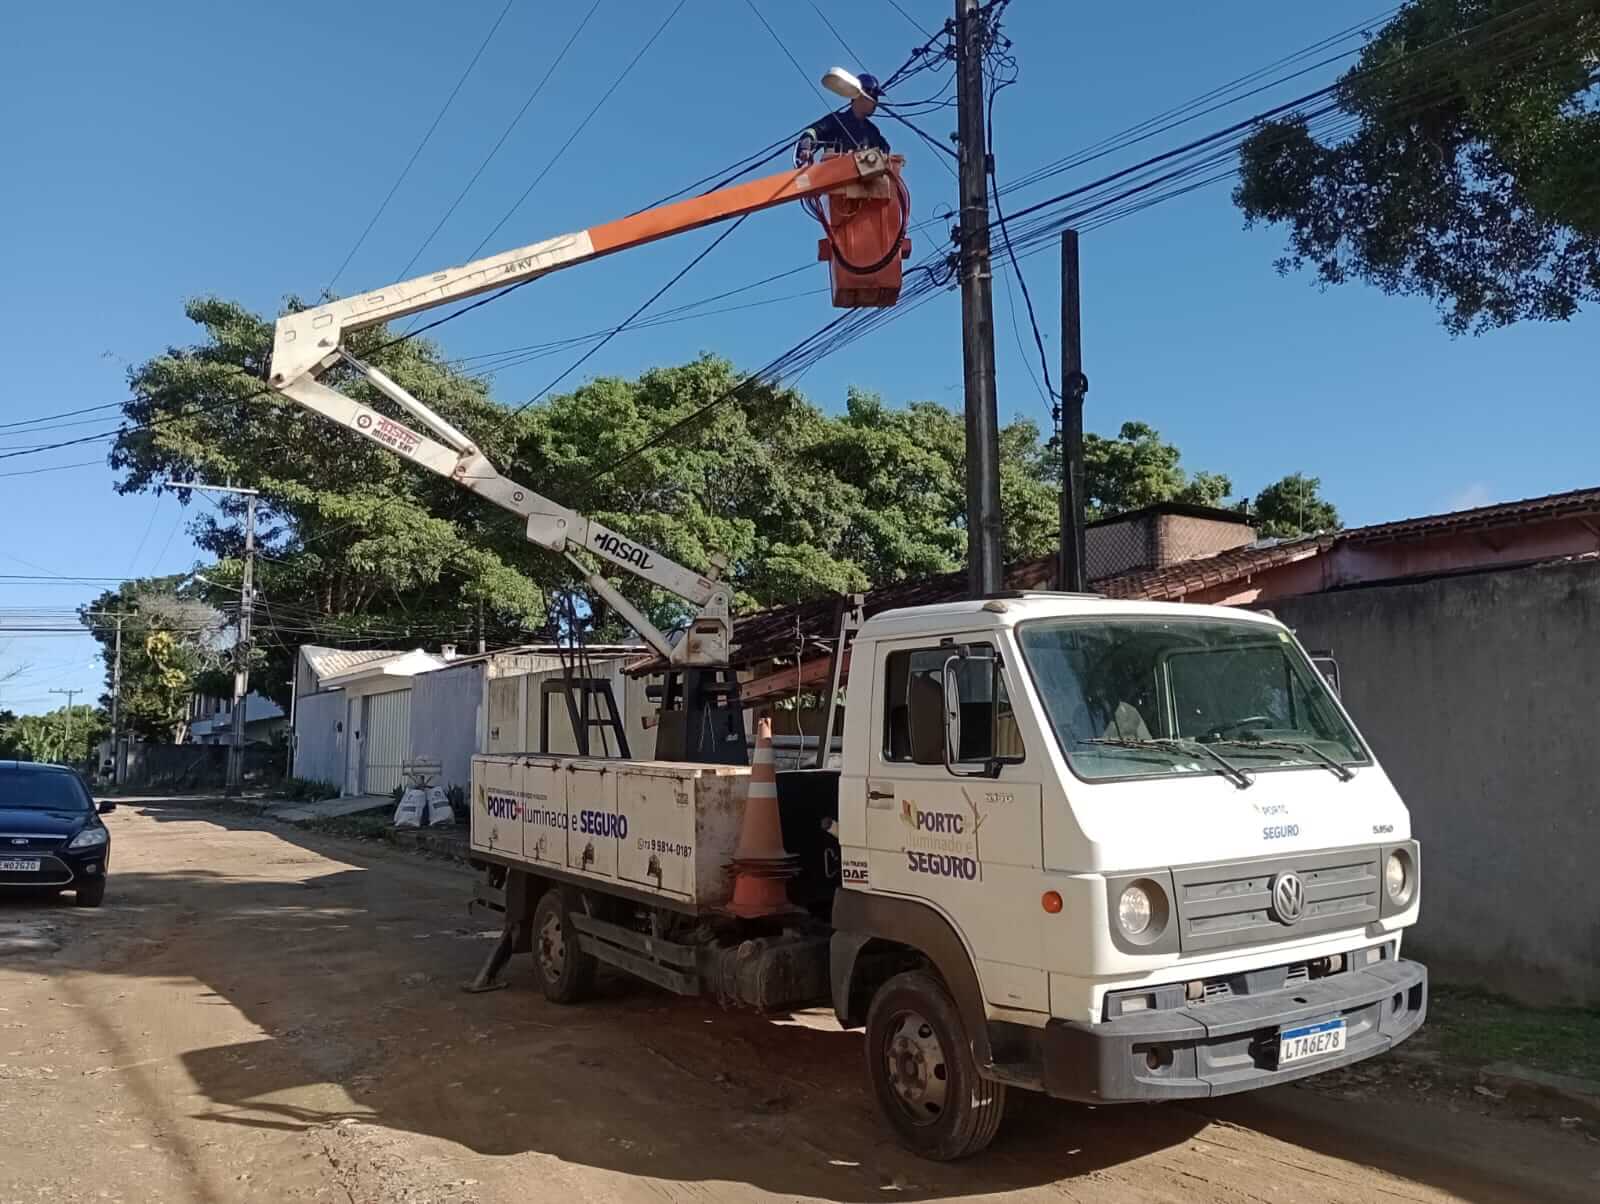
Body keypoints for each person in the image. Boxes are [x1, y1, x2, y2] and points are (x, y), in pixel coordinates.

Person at [796, 72, 891, 166]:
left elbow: (885, 150)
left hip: (862, 179)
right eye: (873, 97)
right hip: (835, 175)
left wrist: (885, 154)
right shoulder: (836, 121)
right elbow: (811, 132)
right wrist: (805, 148)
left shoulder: (872, 131)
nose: (876, 103)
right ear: (859, 95)